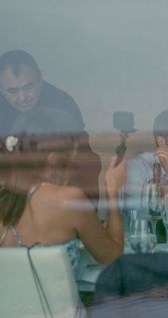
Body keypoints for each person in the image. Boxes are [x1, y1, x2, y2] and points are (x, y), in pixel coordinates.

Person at [0, 108, 125, 268]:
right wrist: (112, 190)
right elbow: (113, 259)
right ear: (53, 158)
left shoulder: (5, 197)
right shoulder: (68, 200)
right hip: (55, 294)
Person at [0, 50, 101, 200]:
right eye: (12, 91)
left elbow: (79, 163)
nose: (22, 98)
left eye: (29, 87)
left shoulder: (63, 105)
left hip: (62, 182)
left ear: (40, 80)